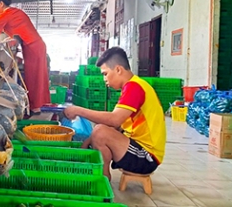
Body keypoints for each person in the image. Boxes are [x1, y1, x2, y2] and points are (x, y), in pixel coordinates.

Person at [64, 47, 166, 181]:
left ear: (118, 70)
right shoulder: (134, 85)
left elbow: (114, 120)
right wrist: (87, 143)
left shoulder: (134, 87)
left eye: (105, 74)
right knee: (100, 130)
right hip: (140, 149)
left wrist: (78, 110)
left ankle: (103, 180)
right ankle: (101, 176)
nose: (104, 79)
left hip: (147, 157)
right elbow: (117, 126)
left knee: (101, 132)